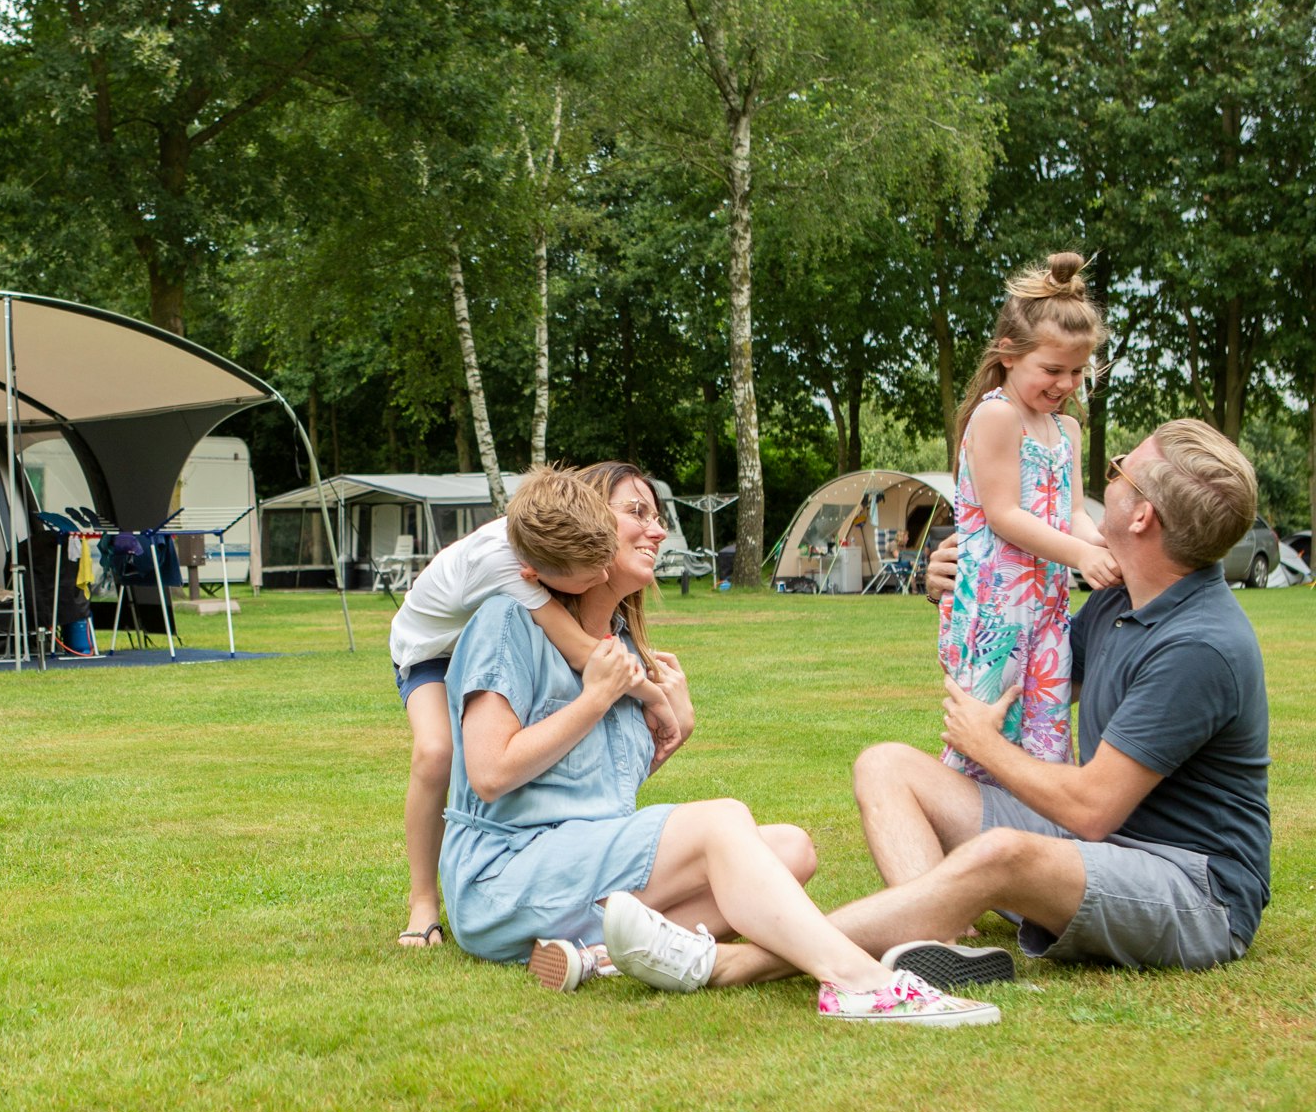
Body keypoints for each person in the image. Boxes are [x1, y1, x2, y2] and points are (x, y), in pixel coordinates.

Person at [708, 419, 1268, 990]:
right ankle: (937, 946)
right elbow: (1016, 674)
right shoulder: (1120, 600)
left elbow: (1092, 808)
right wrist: (953, 594)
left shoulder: (1199, 645)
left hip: (1194, 891)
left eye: (1119, 469)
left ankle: (745, 962)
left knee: (1001, 855)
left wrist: (985, 746)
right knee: (886, 765)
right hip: (1101, 851)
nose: (1108, 475)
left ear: (1143, 515)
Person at [439, 462, 999, 1025]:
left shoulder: (626, 649)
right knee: (720, 824)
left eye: (657, 517)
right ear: (585, 523)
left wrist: (673, 733)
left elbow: (588, 791)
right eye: (637, 513)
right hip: (502, 878)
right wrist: (594, 700)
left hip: (572, 867)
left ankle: (598, 958)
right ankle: (859, 980)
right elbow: (490, 773)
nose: (657, 531)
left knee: (791, 849)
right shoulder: (509, 619)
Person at [390, 466, 677, 949]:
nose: (604, 574)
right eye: (595, 574)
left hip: (466, 631)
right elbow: (579, 651)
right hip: (425, 650)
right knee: (436, 752)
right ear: (535, 576)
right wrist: (655, 696)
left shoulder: (546, 549)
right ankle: (422, 901)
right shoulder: (510, 572)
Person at [938, 251, 1121, 784]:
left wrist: (1106, 546)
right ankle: (955, 830)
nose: (1065, 383)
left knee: (1047, 732)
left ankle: (1037, 839)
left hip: (1049, 609)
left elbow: (1074, 516)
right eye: (1052, 369)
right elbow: (1004, 515)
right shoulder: (996, 415)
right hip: (996, 608)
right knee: (987, 729)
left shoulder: (1068, 431)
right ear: (1008, 354)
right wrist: (1082, 555)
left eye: (1077, 371)